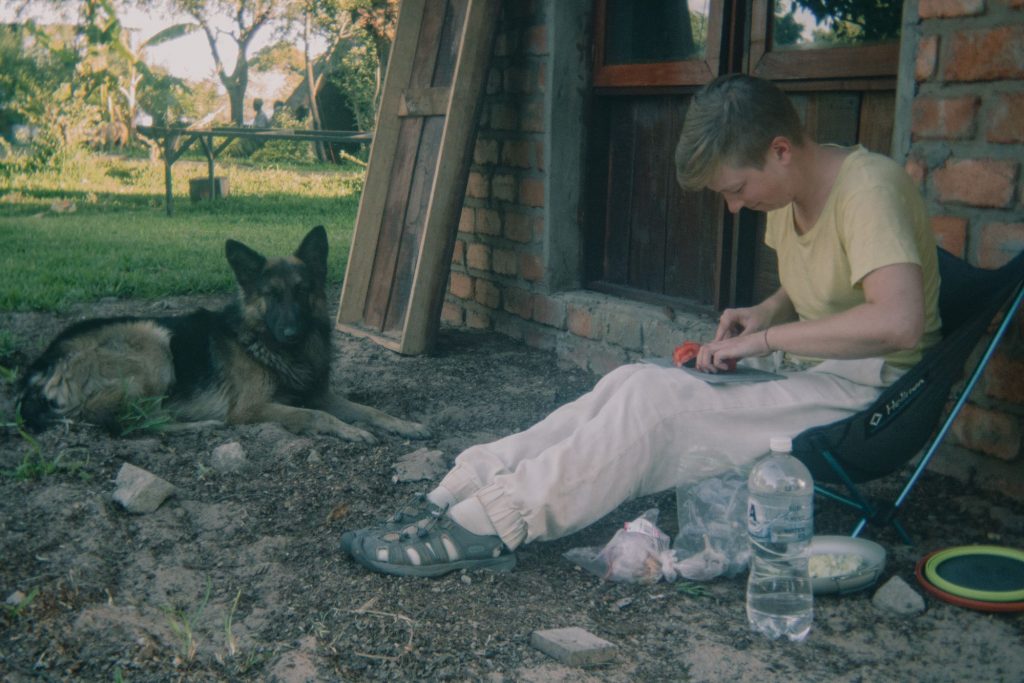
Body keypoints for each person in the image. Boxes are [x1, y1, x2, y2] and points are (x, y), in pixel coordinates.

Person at [341, 74, 942, 578]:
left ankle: (493, 523)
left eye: (736, 189)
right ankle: (468, 485)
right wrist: (768, 310)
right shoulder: (790, 194)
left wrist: (764, 339)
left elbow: (897, 320)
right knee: (632, 381)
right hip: (814, 370)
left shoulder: (867, 188)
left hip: (873, 394)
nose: (734, 207)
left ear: (781, 150)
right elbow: (838, 276)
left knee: (657, 406)